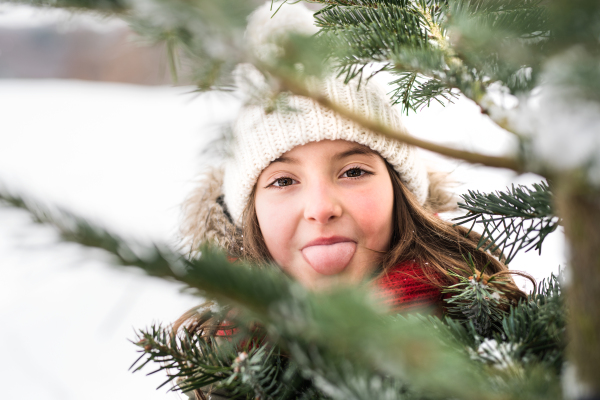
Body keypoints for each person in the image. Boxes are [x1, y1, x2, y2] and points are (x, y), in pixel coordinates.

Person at [175, 2, 527, 398]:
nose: (321, 207)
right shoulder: (222, 369)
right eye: (284, 180)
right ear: (250, 212)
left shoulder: (496, 329)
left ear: (399, 191)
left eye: (353, 172)